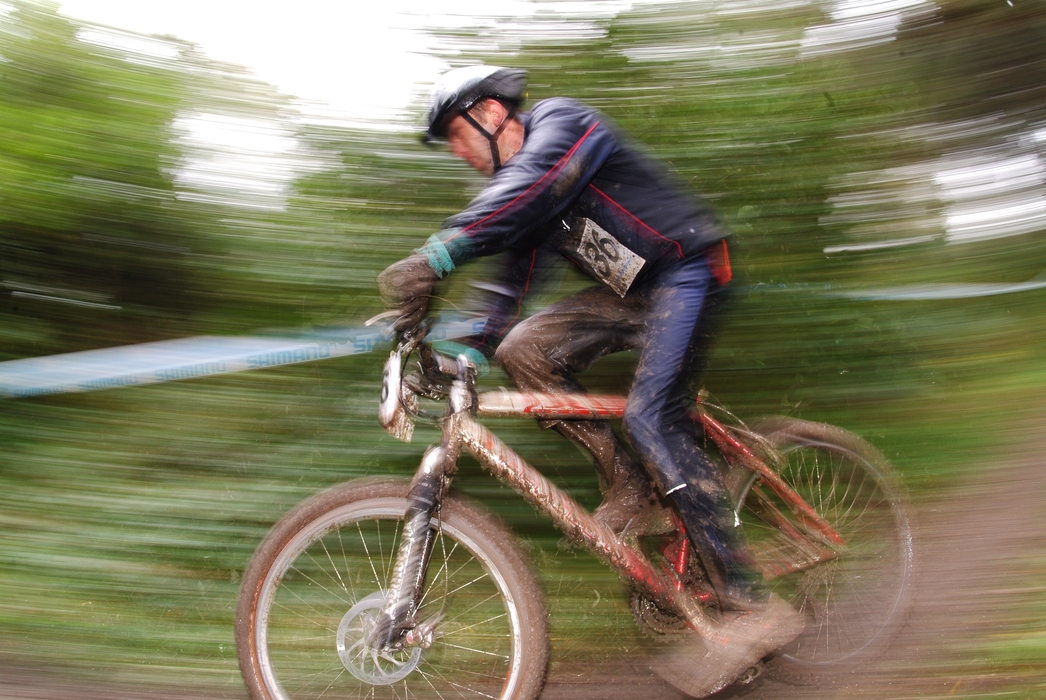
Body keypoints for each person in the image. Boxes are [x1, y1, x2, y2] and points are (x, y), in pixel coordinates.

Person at [378, 64, 802, 666]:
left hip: (689, 271)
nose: (457, 150)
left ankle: (751, 601)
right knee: (523, 347)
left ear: (492, 113)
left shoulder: (565, 125)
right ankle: (630, 484)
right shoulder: (525, 201)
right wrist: (460, 354)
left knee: (654, 418)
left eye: (455, 132)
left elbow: (532, 187)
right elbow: (507, 291)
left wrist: (438, 254)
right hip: (634, 297)